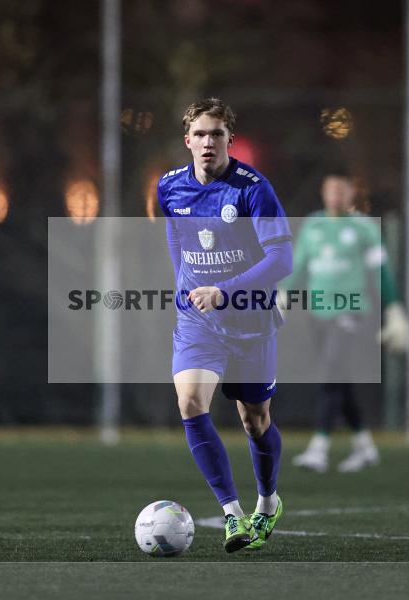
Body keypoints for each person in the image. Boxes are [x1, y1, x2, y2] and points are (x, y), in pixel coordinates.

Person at [158, 98, 292, 552]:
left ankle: (268, 502)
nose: (208, 142)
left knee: (255, 422)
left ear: (230, 140)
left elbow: (282, 258)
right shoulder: (170, 187)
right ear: (187, 141)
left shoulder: (253, 189)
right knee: (191, 401)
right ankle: (232, 515)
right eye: (200, 134)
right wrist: (184, 283)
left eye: (217, 134)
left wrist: (226, 290)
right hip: (199, 322)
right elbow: (176, 234)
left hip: (252, 320)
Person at [281, 171, 409, 473]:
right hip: (318, 314)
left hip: (351, 312)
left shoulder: (364, 229)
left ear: (352, 193)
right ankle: (364, 447)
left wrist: (393, 309)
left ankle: (319, 448)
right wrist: (284, 294)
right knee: (338, 379)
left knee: (330, 372)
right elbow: (299, 265)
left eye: (342, 190)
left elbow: (381, 272)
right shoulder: (313, 226)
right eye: (331, 189)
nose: (336, 195)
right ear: (323, 192)